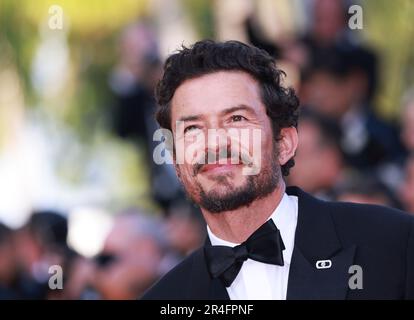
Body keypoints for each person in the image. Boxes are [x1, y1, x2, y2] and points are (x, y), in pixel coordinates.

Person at [142, 40, 414, 300]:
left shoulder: (392, 243)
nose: (214, 143)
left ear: (284, 144)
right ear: (177, 162)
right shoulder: (165, 298)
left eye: (236, 119)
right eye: (192, 128)